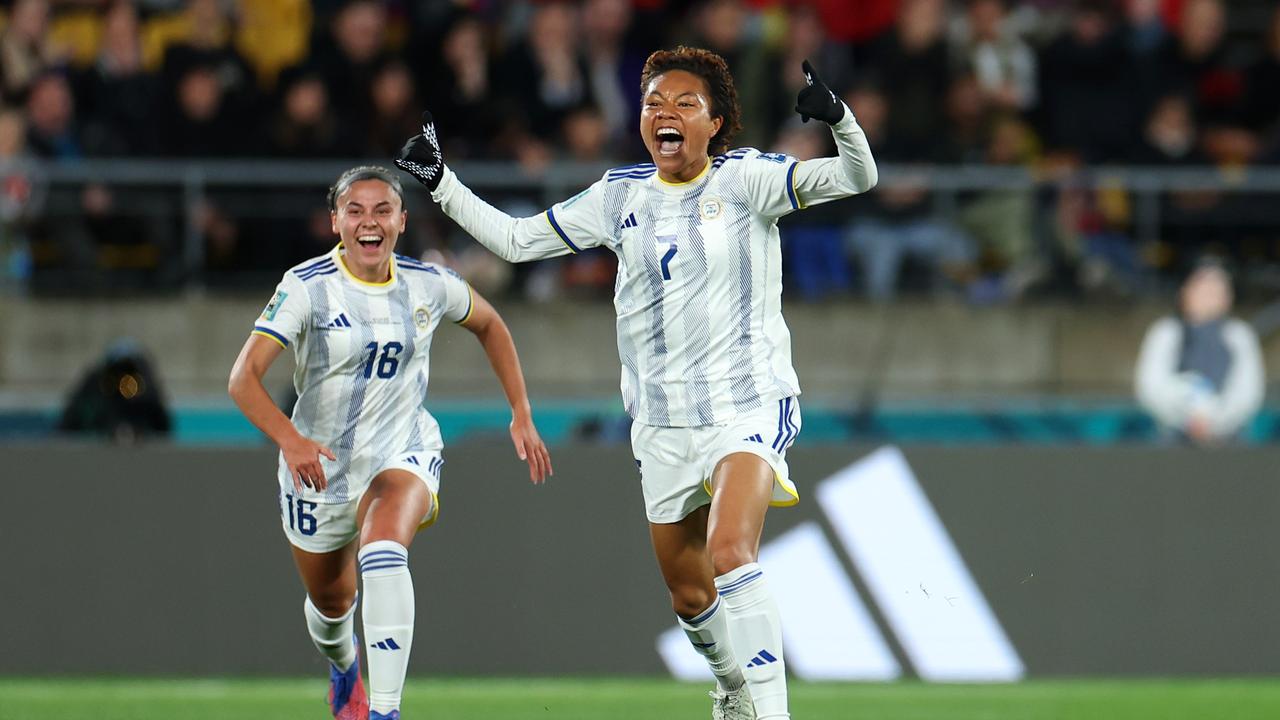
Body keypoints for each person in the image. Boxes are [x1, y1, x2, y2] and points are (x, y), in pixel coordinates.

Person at [396, 47, 876, 720]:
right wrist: (440, 180)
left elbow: (860, 175)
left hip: (747, 403)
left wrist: (840, 121)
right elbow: (514, 241)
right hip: (660, 424)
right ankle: (732, 684)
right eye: (654, 102)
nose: (665, 113)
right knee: (689, 596)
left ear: (716, 123)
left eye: (684, 103)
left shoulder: (748, 181)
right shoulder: (618, 196)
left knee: (732, 550)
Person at [227, 166, 551, 720]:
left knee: (383, 548)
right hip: (321, 471)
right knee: (332, 606)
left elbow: (490, 323)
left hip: (402, 450)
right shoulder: (306, 287)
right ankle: (344, 661)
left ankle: (385, 711)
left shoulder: (428, 284)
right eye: (355, 211)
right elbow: (242, 380)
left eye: (382, 211)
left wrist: (520, 410)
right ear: (336, 222)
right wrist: (290, 440)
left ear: (402, 221)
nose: (369, 222)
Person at [1135, 260, 1265, 445]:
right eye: (1204, 288)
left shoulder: (1239, 335)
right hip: (1174, 436)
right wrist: (1189, 417)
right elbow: (1151, 387)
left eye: (1218, 290)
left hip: (1229, 438)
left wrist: (1213, 421)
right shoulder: (1166, 331)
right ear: (1185, 291)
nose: (1210, 295)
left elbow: (1247, 392)